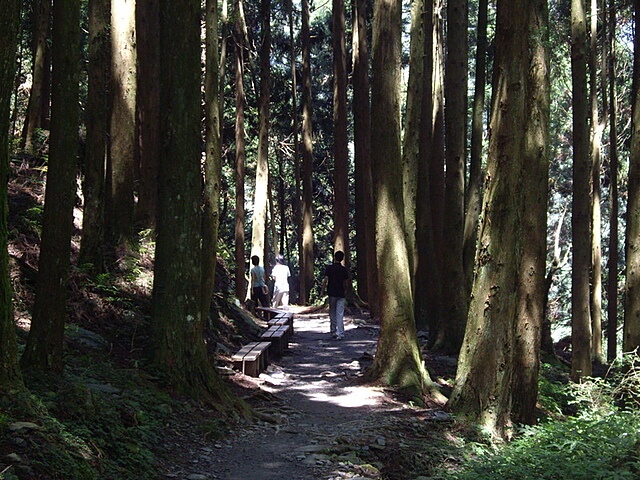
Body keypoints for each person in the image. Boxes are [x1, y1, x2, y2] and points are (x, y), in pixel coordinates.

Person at [320, 250, 350, 339]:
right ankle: (340, 333)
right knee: (340, 314)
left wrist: (322, 291)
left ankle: (333, 331)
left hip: (331, 293)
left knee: (332, 312)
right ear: (342, 259)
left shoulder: (329, 268)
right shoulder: (343, 269)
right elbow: (345, 282)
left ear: (334, 257)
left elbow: (325, 280)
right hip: (341, 293)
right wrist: (346, 291)